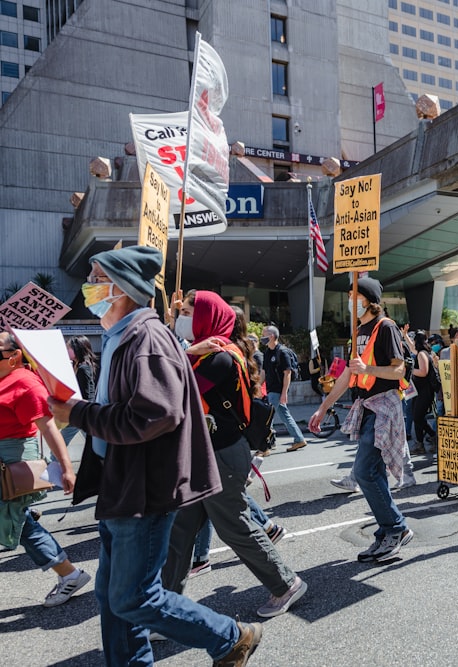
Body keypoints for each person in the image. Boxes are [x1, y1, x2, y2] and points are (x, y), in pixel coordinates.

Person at [49, 246, 261, 667]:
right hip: (122, 486)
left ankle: (229, 636)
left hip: (144, 493)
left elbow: (155, 414)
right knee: (113, 597)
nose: (88, 287)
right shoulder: (121, 335)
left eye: (96, 278)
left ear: (122, 288)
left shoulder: (145, 338)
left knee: (131, 598)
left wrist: (78, 412)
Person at [162, 289, 306, 618]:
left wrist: (184, 352)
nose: (183, 317)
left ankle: (286, 585)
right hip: (209, 452)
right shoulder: (208, 353)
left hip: (222, 455)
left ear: (205, 318)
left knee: (234, 526)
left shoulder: (217, 356)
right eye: (182, 312)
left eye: (187, 312)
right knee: (180, 529)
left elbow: (172, 389)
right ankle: (165, 607)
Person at [308, 277, 414, 562]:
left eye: (354, 296)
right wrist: (323, 408)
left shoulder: (386, 327)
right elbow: (348, 375)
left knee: (365, 471)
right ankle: (388, 532)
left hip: (384, 407)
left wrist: (368, 367)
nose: (350, 301)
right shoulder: (358, 330)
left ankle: (396, 528)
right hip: (367, 407)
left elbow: (400, 371)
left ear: (368, 299)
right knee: (371, 472)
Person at [0, 332, 91, 607]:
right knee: (20, 521)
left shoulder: (26, 383)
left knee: (20, 522)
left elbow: (49, 428)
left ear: (14, 357)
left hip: (11, 460)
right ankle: (69, 574)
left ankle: (70, 574)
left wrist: (66, 468)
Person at [261, 325, 308, 453]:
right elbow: (264, 372)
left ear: (271, 336)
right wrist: (258, 386)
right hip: (271, 390)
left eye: (263, 335)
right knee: (284, 416)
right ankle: (299, 439)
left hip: (277, 390)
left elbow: (287, 374)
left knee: (267, 418)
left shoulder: (282, 352)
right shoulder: (267, 353)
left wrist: (284, 393)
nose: (261, 338)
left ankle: (265, 447)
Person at [62, 335, 98, 446]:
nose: (66, 350)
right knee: (92, 440)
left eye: (68, 348)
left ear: (77, 349)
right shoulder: (78, 365)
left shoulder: (84, 368)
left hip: (81, 411)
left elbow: (88, 393)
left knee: (63, 438)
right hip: (82, 410)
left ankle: (55, 460)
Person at [410, 330, 438, 454]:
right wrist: (404, 335)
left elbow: (423, 372)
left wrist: (410, 370)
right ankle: (423, 442)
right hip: (420, 391)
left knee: (417, 417)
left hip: (424, 391)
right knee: (418, 417)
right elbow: (412, 348)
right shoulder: (424, 352)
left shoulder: (422, 354)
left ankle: (429, 438)